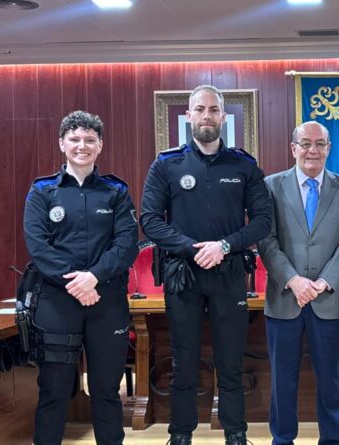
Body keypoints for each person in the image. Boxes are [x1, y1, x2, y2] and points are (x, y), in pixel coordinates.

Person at [140, 85, 272, 445]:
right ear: (189, 116)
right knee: (183, 359)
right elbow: (149, 219)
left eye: (214, 110)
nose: (207, 116)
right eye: (200, 109)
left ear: (223, 117)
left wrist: (225, 246)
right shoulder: (166, 164)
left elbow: (263, 220)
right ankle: (180, 434)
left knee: (231, 361)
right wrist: (190, 247)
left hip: (229, 273)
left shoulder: (243, 165)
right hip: (183, 275)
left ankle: (235, 434)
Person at [23, 110, 139, 445]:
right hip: (57, 303)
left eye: (90, 139)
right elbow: (38, 246)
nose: (82, 146)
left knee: (106, 390)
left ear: (100, 145)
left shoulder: (116, 191)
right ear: (62, 143)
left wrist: (94, 278)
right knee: (54, 390)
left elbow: (126, 244)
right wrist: (77, 283)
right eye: (74, 139)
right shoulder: (42, 191)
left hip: (107, 301)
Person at [258, 120, 339, 445]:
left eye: (319, 144)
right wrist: (294, 280)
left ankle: (331, 439)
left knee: (329, 380)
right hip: (285, 299)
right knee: (282, 382)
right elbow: (266, 240)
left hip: (328, 299)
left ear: (328, 148)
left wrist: (324, 281)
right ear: (293, 148)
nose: (312, 150)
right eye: (305, 143)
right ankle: (282, 439)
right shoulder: (271, 186)